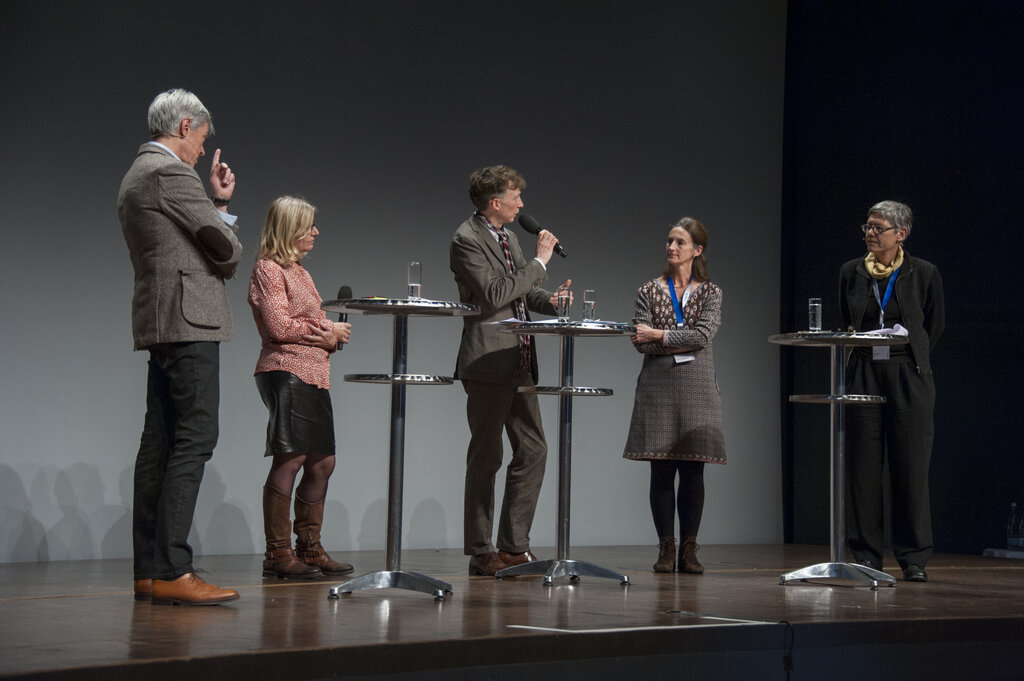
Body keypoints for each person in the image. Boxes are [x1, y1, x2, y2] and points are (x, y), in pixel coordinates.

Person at [118, 89, 242, 605]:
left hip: (163, 319)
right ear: (185, 126)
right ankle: (173, 568)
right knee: (195, 437)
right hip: (190, 321)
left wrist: (215, 204)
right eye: (202, 138)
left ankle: (150, 570)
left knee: (161, 441)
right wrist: (222, 213)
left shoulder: (136, 173)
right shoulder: (170, 172)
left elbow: (191, 237)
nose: (202, 150)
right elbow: (226, 252)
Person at [450, 165, 569, 576]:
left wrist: (550, 301)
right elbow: (495, 293)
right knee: (487, 456)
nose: (522, 204)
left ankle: (514, 546)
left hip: (519, 359)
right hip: (487, 360)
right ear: (495, 201)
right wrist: (540, 262)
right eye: (516, 197)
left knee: (534, 449)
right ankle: (481, 550)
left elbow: (523, 292)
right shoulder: (466, 239)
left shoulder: (509, 237)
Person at [248, 196, 355, 580]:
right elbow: (279, 326)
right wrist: (328, 330)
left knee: (323, 462)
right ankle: (278, 553)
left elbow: (315, 326)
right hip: (285, 370)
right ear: (290, 228)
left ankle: (309, 548)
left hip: (315, 372)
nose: (316, 232)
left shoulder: (300, 272)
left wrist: (332, 336)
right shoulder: (268, 269)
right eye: (309, 226)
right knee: (291, 457)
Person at [840, 200, 944, 582]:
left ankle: (913, 558)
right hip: (865, 370)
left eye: (878, 228)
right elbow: (846, 319)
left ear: (901, 234)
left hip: (908, 373)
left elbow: (934, 325)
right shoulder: (851, 272)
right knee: (863, 469)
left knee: (910, 468)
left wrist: (910, 355)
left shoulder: (924, 273)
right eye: (867, 227)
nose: (870, 233)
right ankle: (867, 555)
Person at [623, 217, 726, 574]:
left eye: (680, 242)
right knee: (661, 470)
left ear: (697, 250)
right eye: (669, 241)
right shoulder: (648, 291)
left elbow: (702, 336)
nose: (671, 247)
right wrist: (668, 339)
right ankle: (666, 547)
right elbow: (640, 342)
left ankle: (689, 549)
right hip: (658, 388)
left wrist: (659, 335)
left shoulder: (711, 293)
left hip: (698, 388)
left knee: (694, 471)